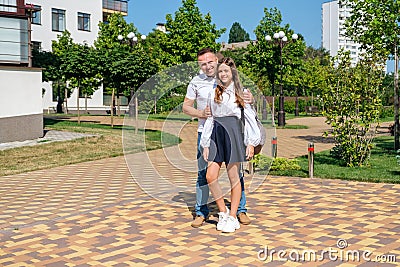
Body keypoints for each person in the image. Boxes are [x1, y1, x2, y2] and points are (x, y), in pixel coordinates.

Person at [183, 48, 252, 228]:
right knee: (203, 174)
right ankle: (201, 212)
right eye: (203, 64)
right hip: (206, 132)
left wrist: (249, 98)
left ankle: (239, 210)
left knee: (235, 174)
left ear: (217, 60)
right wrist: (201, 113)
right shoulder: (196, 82)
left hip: (231, 134)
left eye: (210, 62)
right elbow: (186, 107)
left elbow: (245, 107)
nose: (207, 66)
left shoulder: (227, 77)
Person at [200, 57, 261, 233]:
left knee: (234, 177)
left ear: (232, 72)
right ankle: (223, 212)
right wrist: (205, 144)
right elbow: (210, 118)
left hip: (234, 134)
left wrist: (251, 143)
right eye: (220, 71)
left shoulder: (242, 92)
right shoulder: (214, 93)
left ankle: (233, 217)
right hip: (216, 135)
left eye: (226, 71)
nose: (223, 74)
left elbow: (249, 119)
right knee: (210, 176)